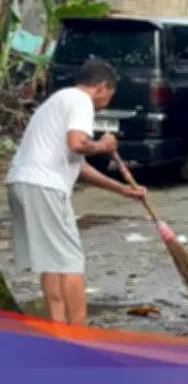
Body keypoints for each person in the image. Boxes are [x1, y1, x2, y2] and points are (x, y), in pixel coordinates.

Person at [4, 59, 147, 325]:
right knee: (71, 261)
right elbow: (77, 143)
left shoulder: (57, 102)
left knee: (51, 261)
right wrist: (103, 145)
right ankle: (80, 332)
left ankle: (59, 328)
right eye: (109, 95)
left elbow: (78, 164)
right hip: (45, 185)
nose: (106, 102)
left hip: (21, 182)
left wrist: (123, 190)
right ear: (101, 86)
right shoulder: (81, 100)